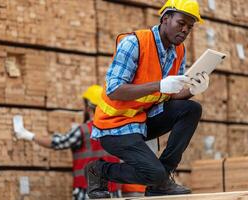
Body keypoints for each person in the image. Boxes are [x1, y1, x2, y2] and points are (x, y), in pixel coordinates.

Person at [85, 0, 209, 198]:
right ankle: (99, 171)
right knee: (153, 173)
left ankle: (164, 177)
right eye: (181, 23)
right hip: (114, 126)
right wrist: (159, 85)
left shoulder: (179, 50)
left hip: (143, 119)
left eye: (190, 27)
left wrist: (194, 89)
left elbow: (171, 95)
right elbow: (114, 90)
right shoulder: (134, 43)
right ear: (165, 19)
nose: (185, 30)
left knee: (191, 108)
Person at [12, 85, 121, 200]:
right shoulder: (117, 130)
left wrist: (28, 135)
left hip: (88, 193)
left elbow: (58, 142)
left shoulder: (83, 131)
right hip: (113, 192)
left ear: (88, 108)